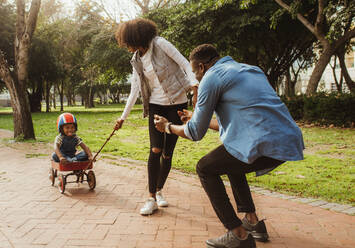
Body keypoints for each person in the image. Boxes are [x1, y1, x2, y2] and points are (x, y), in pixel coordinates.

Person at [154, 44, 304, 248]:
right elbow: (243, 115)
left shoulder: (211, 77)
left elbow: (195, 133)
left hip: (264, 141)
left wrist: (168, 127)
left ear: (201, 67)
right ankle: (252, 222)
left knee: (205, 168)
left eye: (194, 72)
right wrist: (195, 117)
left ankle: (238, 234)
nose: (195, 78)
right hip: (288, 139)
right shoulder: (250, 69)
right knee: (231, 157)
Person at [113, 18, 198, 215]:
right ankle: (151, 197)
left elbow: (185, 64)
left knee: (168, 153)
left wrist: (195, 86)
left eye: (128, 42)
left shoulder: (161, 44)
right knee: (155, 149)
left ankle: (160, 191)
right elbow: (135, 89)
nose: (127, 47)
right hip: (156, 106)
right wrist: (123, 117)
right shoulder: (136, 59)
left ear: (137, 37)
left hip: (177, 104)